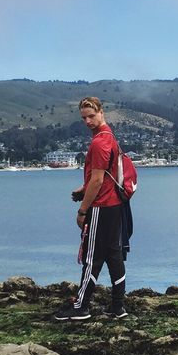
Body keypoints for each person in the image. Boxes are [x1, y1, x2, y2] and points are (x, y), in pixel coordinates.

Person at [55, 96, 128, 321]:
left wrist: (83, 210)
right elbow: (103, 177)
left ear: (101, 112)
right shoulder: (109, 137)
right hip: (114, 205)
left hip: (101, 207)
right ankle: (118, 307)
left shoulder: (99, 142)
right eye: (84, 118)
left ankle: (81, 307)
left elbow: (97, 181)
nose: (87, 121)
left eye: (91, 116)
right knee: (113, 255)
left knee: (91, 257)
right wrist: (84, 189)